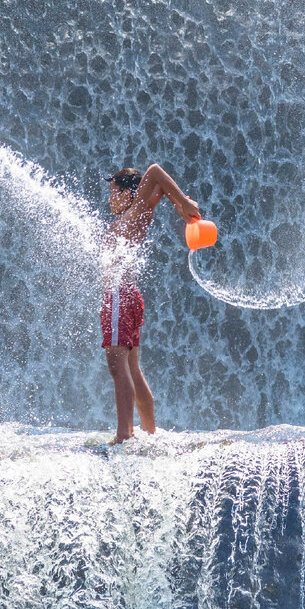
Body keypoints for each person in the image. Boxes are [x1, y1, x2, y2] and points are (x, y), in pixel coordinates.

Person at [101, 164, 201, 443]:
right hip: (129, 294)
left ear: (129, 194)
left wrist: (183, 201)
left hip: (120, 296)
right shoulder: (140, 212)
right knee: (132, 367)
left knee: (117, 366)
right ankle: (149, 431)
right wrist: (178, 205)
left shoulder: (134, 213)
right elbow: (159, 187)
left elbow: (155, 172)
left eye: (114, 193)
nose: (110, 199)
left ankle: (124, 435)